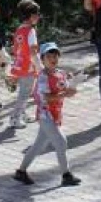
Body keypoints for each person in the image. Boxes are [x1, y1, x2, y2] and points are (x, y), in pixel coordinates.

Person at [13, 43, 82, 187]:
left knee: (38, 147)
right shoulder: (43, 77)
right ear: (43, 59)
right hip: (46, 115)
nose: (53, 59)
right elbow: (47, 98)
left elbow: (65, 88)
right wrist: (66, 94)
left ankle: (21, 172)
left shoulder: (60, 73)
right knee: (61, 142)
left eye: (55, 55)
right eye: (49, 56)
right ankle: (66, 175)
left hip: (54, 114)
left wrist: (73, 87)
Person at [7, 0, 43, 130]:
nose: (38, 17)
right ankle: (15, 118)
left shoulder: (19, 30)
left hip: (19, 65)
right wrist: (40, 67)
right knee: (24, 93)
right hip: (28, 67)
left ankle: (22, 114)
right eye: (37, 14)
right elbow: (33, 52)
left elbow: (16, 49)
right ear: (32, 16)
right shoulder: (30, 31)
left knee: (25, 92)